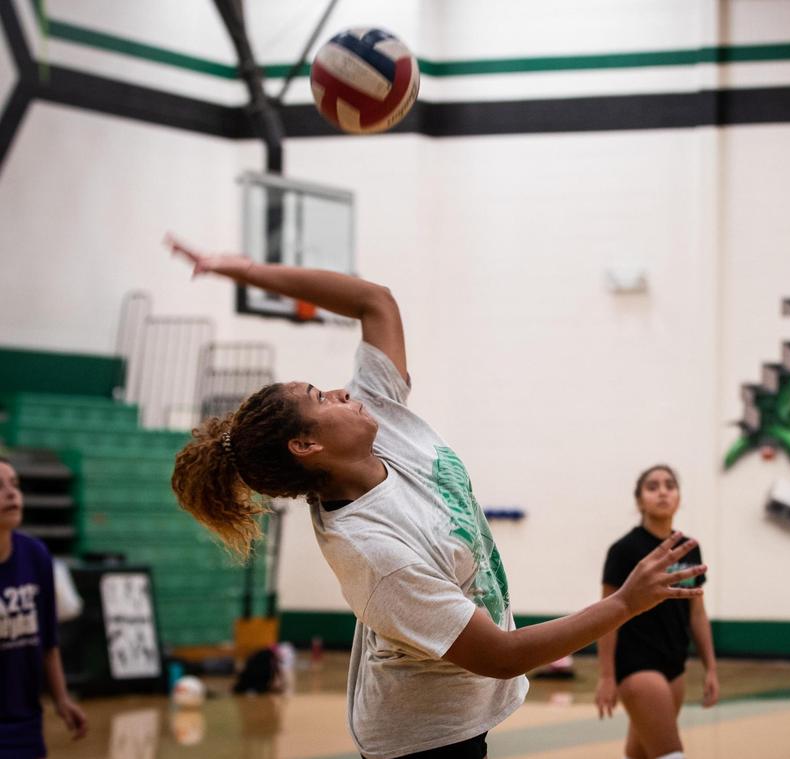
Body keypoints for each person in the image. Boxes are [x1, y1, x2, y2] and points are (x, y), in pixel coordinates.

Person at [165, 239, 706, 759]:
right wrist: (625, 603)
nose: (338, 391)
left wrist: (242, 270)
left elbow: (372, 299)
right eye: (318, 397)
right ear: (307, 444)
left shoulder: (379, 416)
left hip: (462, 717)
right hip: (424, 741)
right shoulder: (374, 553)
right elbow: (499, 655)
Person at [595, 465, 718, 759]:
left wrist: (711, 667)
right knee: (670, 752)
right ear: (639, 501)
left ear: (678, 497)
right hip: (637, 665)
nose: (662, 491)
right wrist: (607, 675)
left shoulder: (690, 549)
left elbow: (697, 613)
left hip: (675, 664)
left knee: (640, 752)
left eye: (669, 485)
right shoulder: (624, 550)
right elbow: (606, 616)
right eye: (652, 487)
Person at [0, 457, 88, 758]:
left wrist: (62, 699)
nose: (11, 494)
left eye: (15, 485)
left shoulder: (35, 555)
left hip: (27, 723)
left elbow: (48, 642)